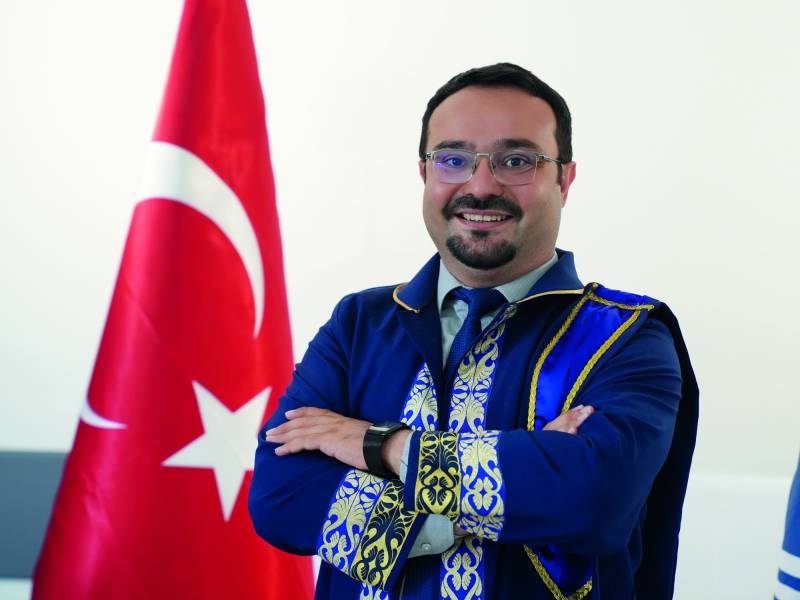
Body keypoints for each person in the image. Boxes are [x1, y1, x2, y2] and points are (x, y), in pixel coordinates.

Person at [249, 63, 698, 600]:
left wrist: (381, 446)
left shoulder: (627, 336)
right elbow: (280, 498)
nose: (481, 186)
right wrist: (514, 491)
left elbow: (595, 501)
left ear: (564, 179)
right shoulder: (360, 323)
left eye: (517, 161)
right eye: (454, 159)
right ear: (425, 173)